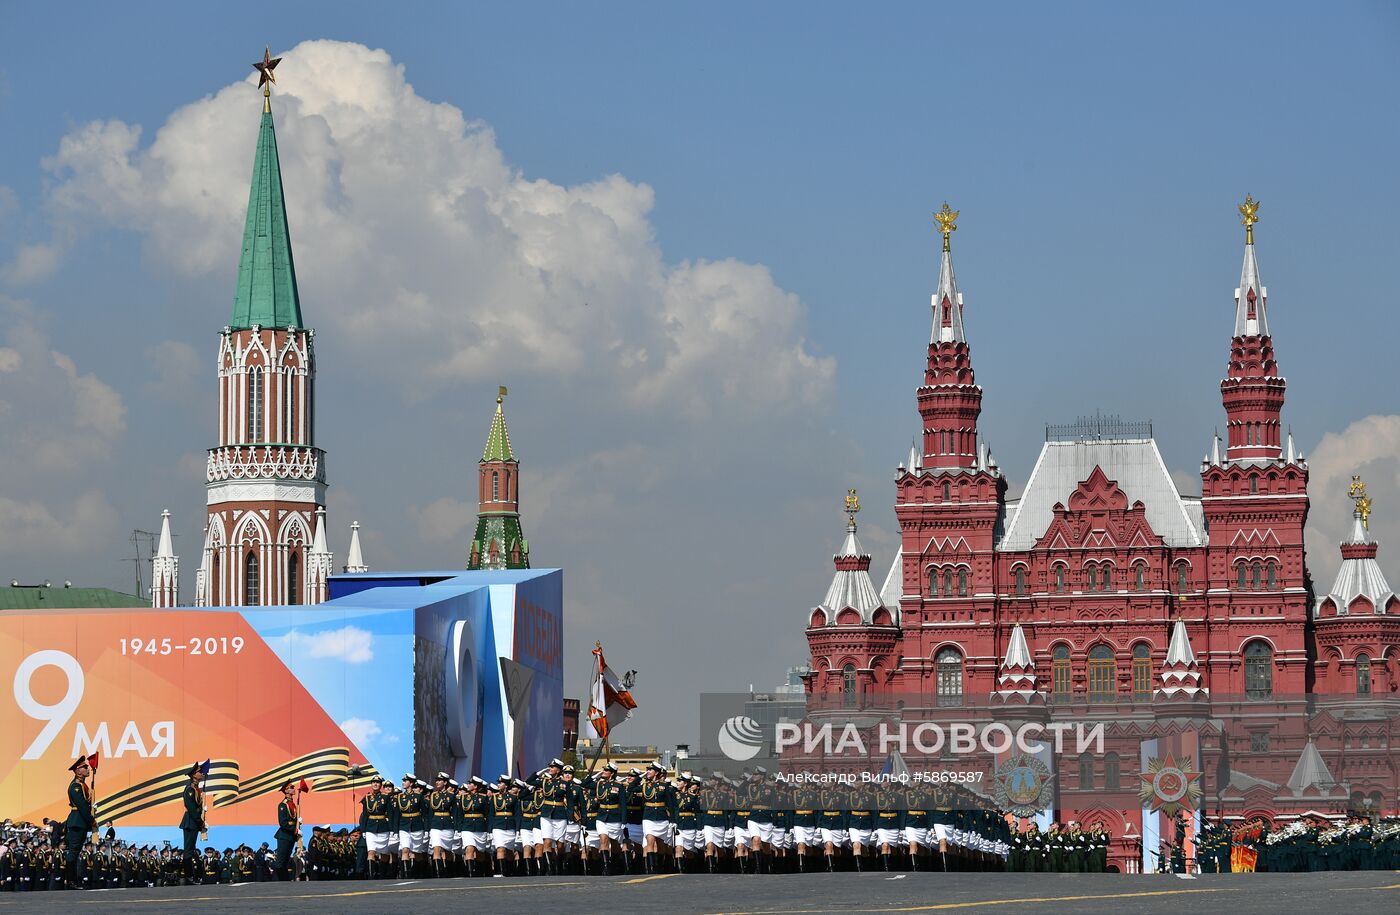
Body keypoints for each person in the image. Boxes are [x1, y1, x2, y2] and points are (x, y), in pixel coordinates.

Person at [63, 756, 97, 889]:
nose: (88, 769)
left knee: (76, 853)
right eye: (85, 767)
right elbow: (82, 806)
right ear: (78, 771)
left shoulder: (82, 785)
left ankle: (74, 880)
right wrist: (91, 820)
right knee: (73, 852)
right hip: (77, 822)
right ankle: (71, 881)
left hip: (80, 822)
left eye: (87, 767)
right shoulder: (76, 786)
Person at [179, 763, 205, 880]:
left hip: (193, 823)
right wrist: (201, 822)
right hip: (191, 822)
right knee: (188, 851)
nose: (202, 773)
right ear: (194, 775)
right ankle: (188, 876)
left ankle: (197, 873)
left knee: (191, 850)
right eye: (199, 772)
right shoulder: (190, 789)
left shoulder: (195, 788)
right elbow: (192, 809)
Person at [273, 781, 300, 880]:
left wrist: (298, 825)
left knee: (286, 860)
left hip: (291, 836)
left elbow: (294, 820)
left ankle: (284, 881)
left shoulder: (292, 803)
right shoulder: (282, 805)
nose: (294, 788)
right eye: (292, 787)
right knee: (280, 862)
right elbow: (283, 823)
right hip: (284, 835)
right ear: (286, 790)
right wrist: (295, 830)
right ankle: (278, 880)